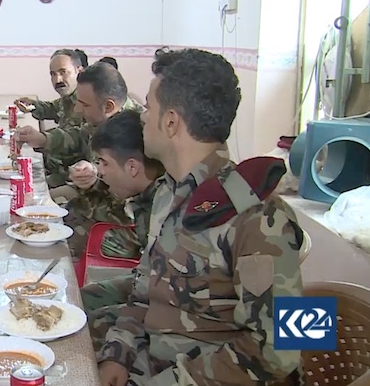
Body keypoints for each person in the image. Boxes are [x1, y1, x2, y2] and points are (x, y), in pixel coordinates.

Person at [90, 48, 303, 386]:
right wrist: (119, 352)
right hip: (154, 359)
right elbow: (144, 291)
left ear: (171, 122)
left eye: (149, 107)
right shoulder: (167, 193)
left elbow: (288, 349)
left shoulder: (261, 216)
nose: (142, 117)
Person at [17, 62, 142, 258]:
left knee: (42, 238)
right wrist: (43, 139)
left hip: (119, 227)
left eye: (84, 104)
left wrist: (96, 176)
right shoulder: (104, 119)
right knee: (32, 214)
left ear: (108, 106)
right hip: (91, 202)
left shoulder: (136, 132)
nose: (76, 109)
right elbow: (79, 136)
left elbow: (130, 203)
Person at [79, 110, 164, 312]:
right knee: (78, 299)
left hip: (164, 306)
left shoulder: (164, 206)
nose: (100, 171)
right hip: (148, 285)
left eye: (104, 162)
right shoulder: (147, 197)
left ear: (132, 167)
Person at [14, 49, 86, 187]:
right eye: (53, 74)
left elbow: (79, 137)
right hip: (57, 168)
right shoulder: (69, 97)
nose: (58, 80)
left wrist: (44, 139)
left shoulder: (88, 99)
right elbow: (54, 108)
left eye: (63, 72)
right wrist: (33, 106)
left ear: (79, 71)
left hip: (72, 177)